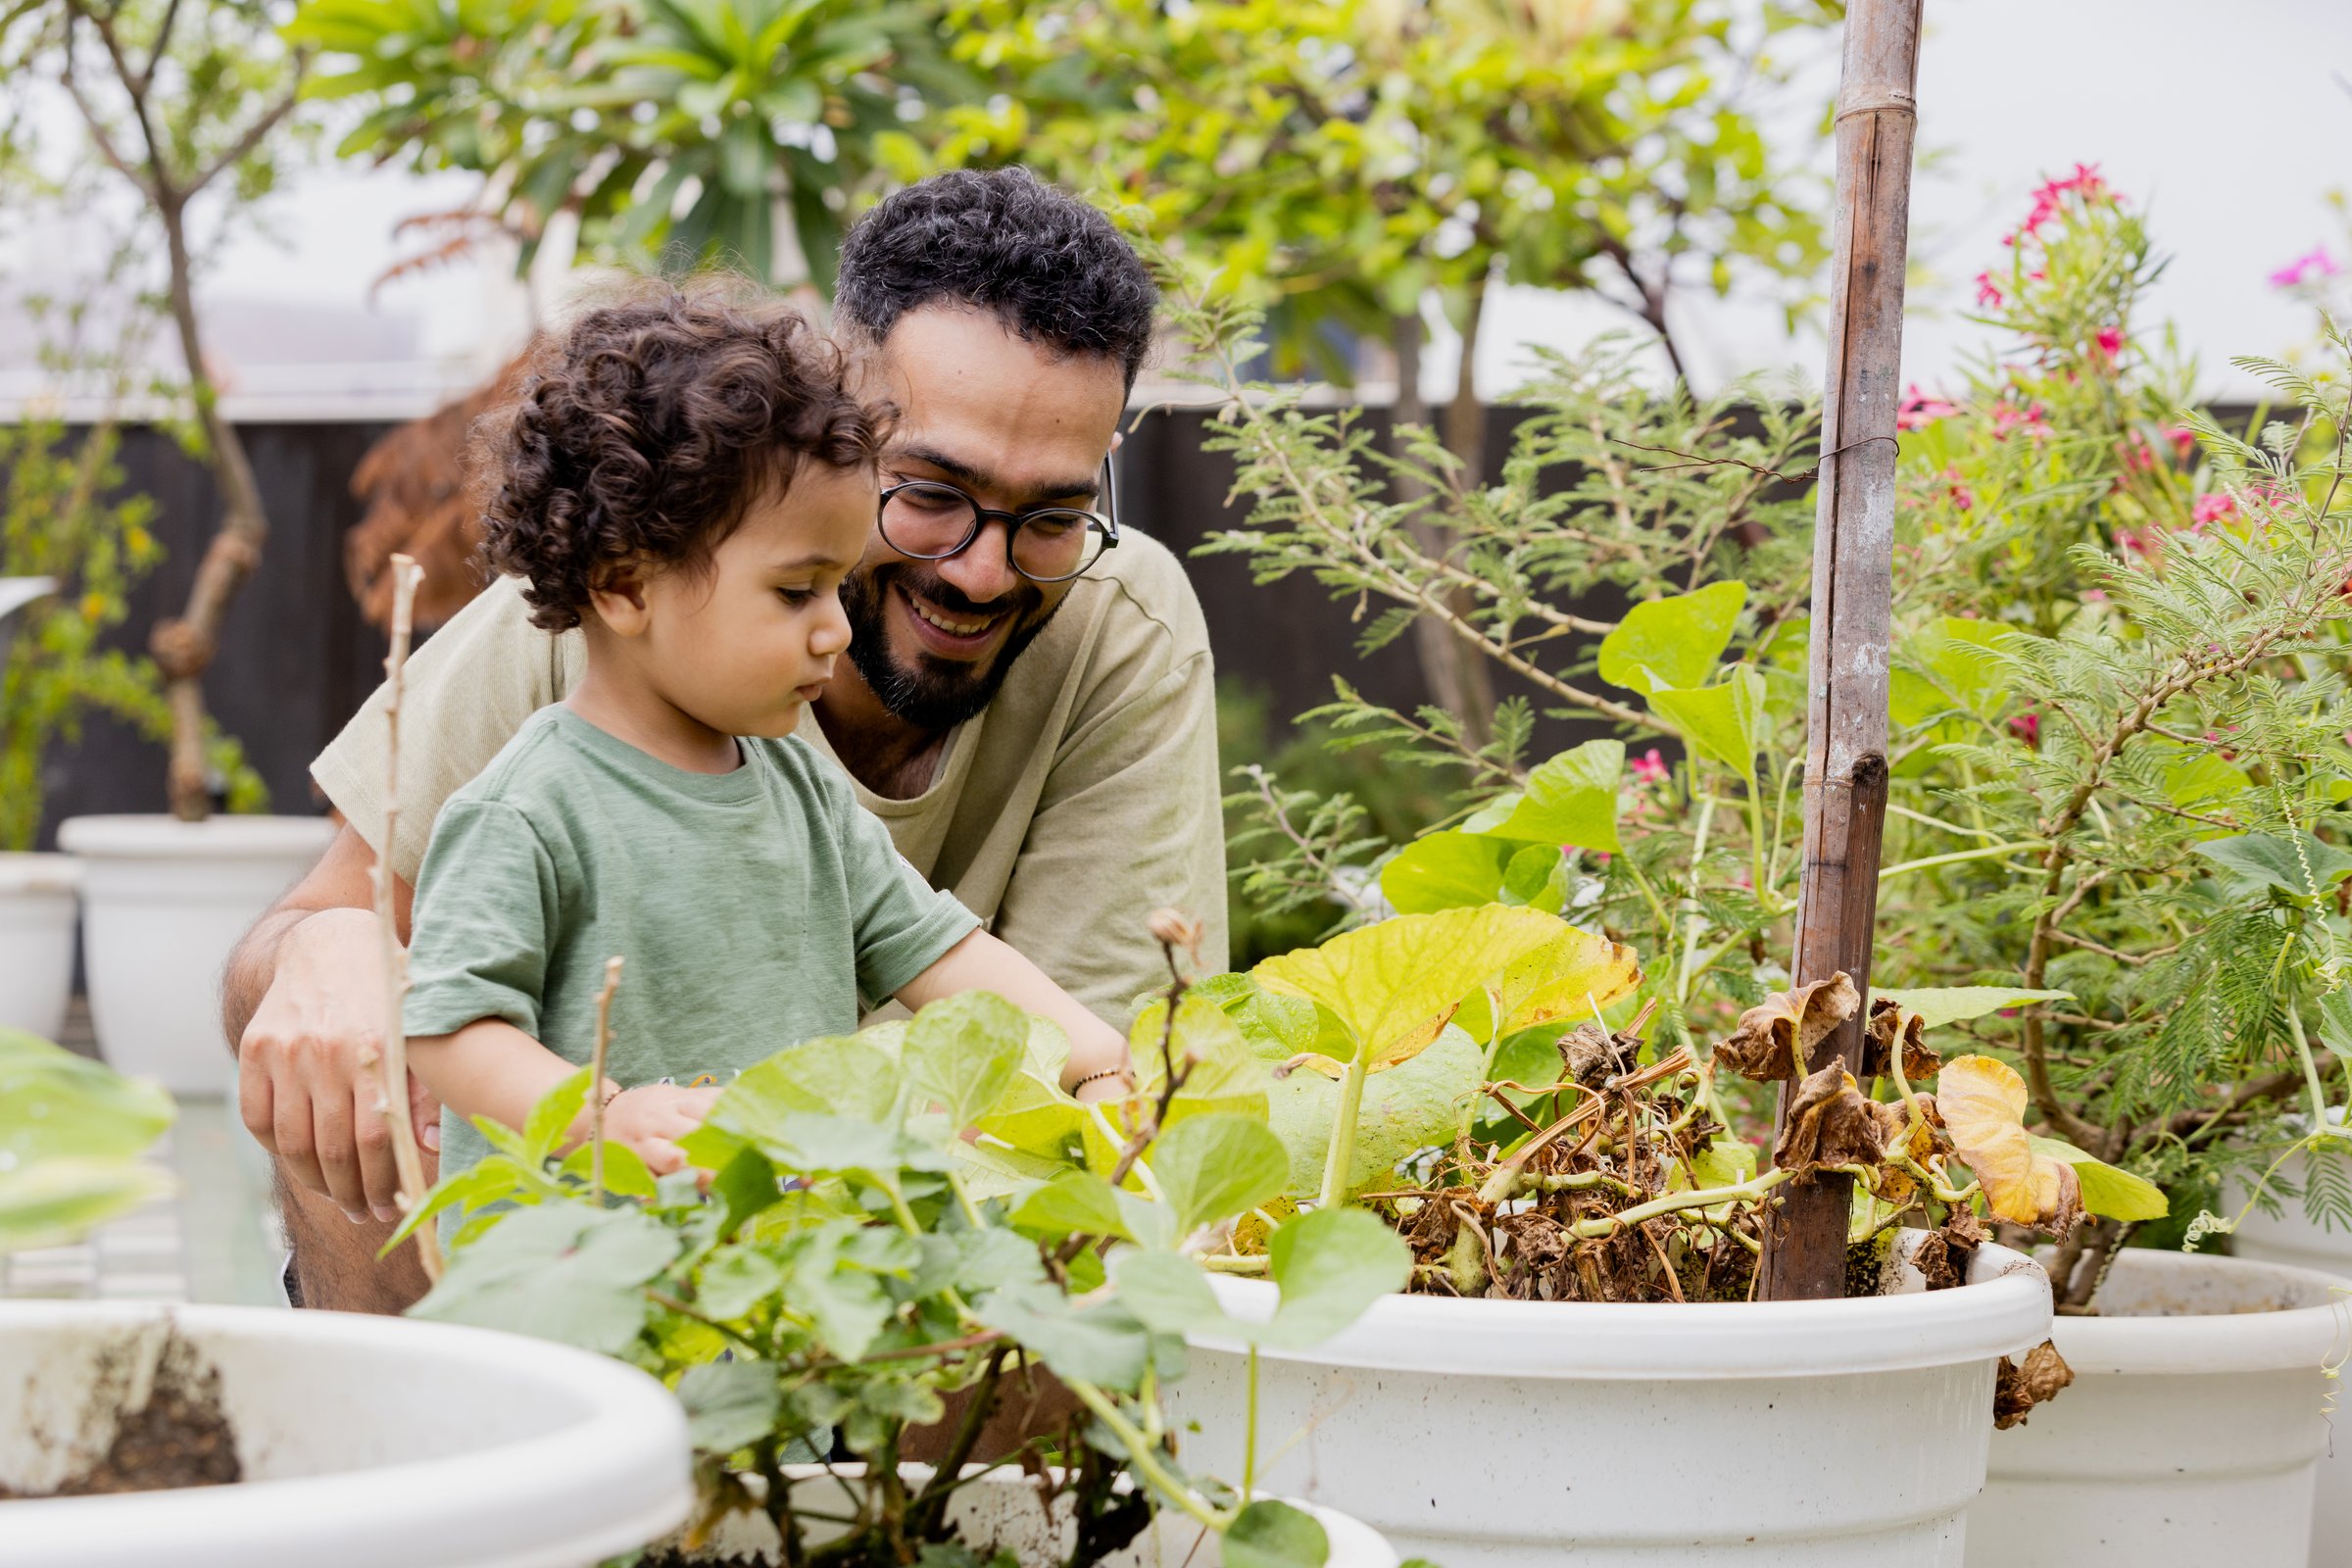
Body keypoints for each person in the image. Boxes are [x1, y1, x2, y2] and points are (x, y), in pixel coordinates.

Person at [224, 168, 1225, 1313]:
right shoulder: (551, 730)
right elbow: (416, 999)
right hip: (566, 1261)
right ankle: (422, 1449)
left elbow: (967, 984)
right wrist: (339, 955)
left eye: (1049, 517)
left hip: (814, 1236)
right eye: (930, 493)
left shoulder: (834, 756)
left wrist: (1111, 1064)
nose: (982, 568)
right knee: (366, 1080)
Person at [401, 286, 1134, 1205]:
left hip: (768, 1281)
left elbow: (944, 952)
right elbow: (448, 1026)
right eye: (797, 594)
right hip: (581, 1283)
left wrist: (1098, 1061)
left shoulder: (803, 795)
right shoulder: (529, 810)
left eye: (838, 586)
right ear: (626, 585)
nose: (835, 630)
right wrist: (601, 1117)